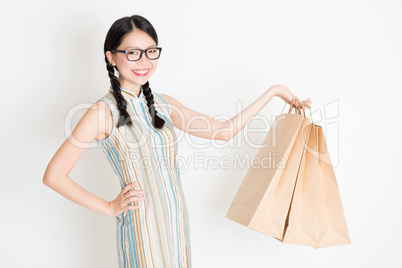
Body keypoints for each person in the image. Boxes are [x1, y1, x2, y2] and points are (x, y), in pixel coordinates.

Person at [42, 14, 312, 268]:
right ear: (112, 57)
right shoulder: (103, 111)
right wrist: (110, 207)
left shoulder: (162, 104)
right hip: (141, 233)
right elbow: (54, 175)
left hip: (176, 226)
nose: (144, 61)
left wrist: (274, 92)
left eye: (151, 51)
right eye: (133, 53)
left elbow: (222, 131)